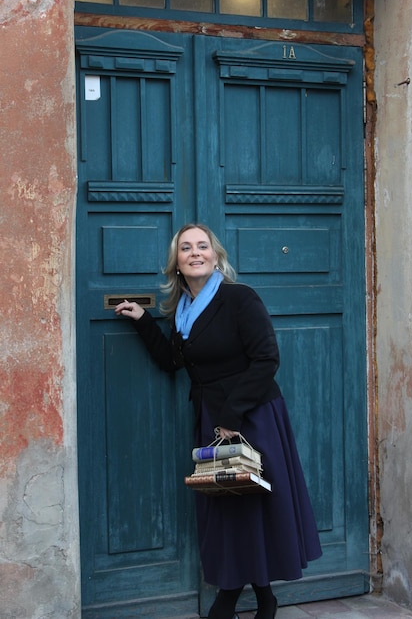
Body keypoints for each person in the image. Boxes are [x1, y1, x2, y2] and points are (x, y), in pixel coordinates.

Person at [115, 223, 322, 619]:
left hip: (253, 416)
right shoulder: (183, 312)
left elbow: (267, 359)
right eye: (186, 248)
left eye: (203, 246)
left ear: (215, 255)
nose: (195, 253)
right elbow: (172, 362)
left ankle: (234, 597)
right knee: (227, 507)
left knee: (253, 505)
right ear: (176, 262)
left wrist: (231, 415)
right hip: (212, 418)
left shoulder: (239, 298)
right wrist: (143, 319)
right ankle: (261, 598)